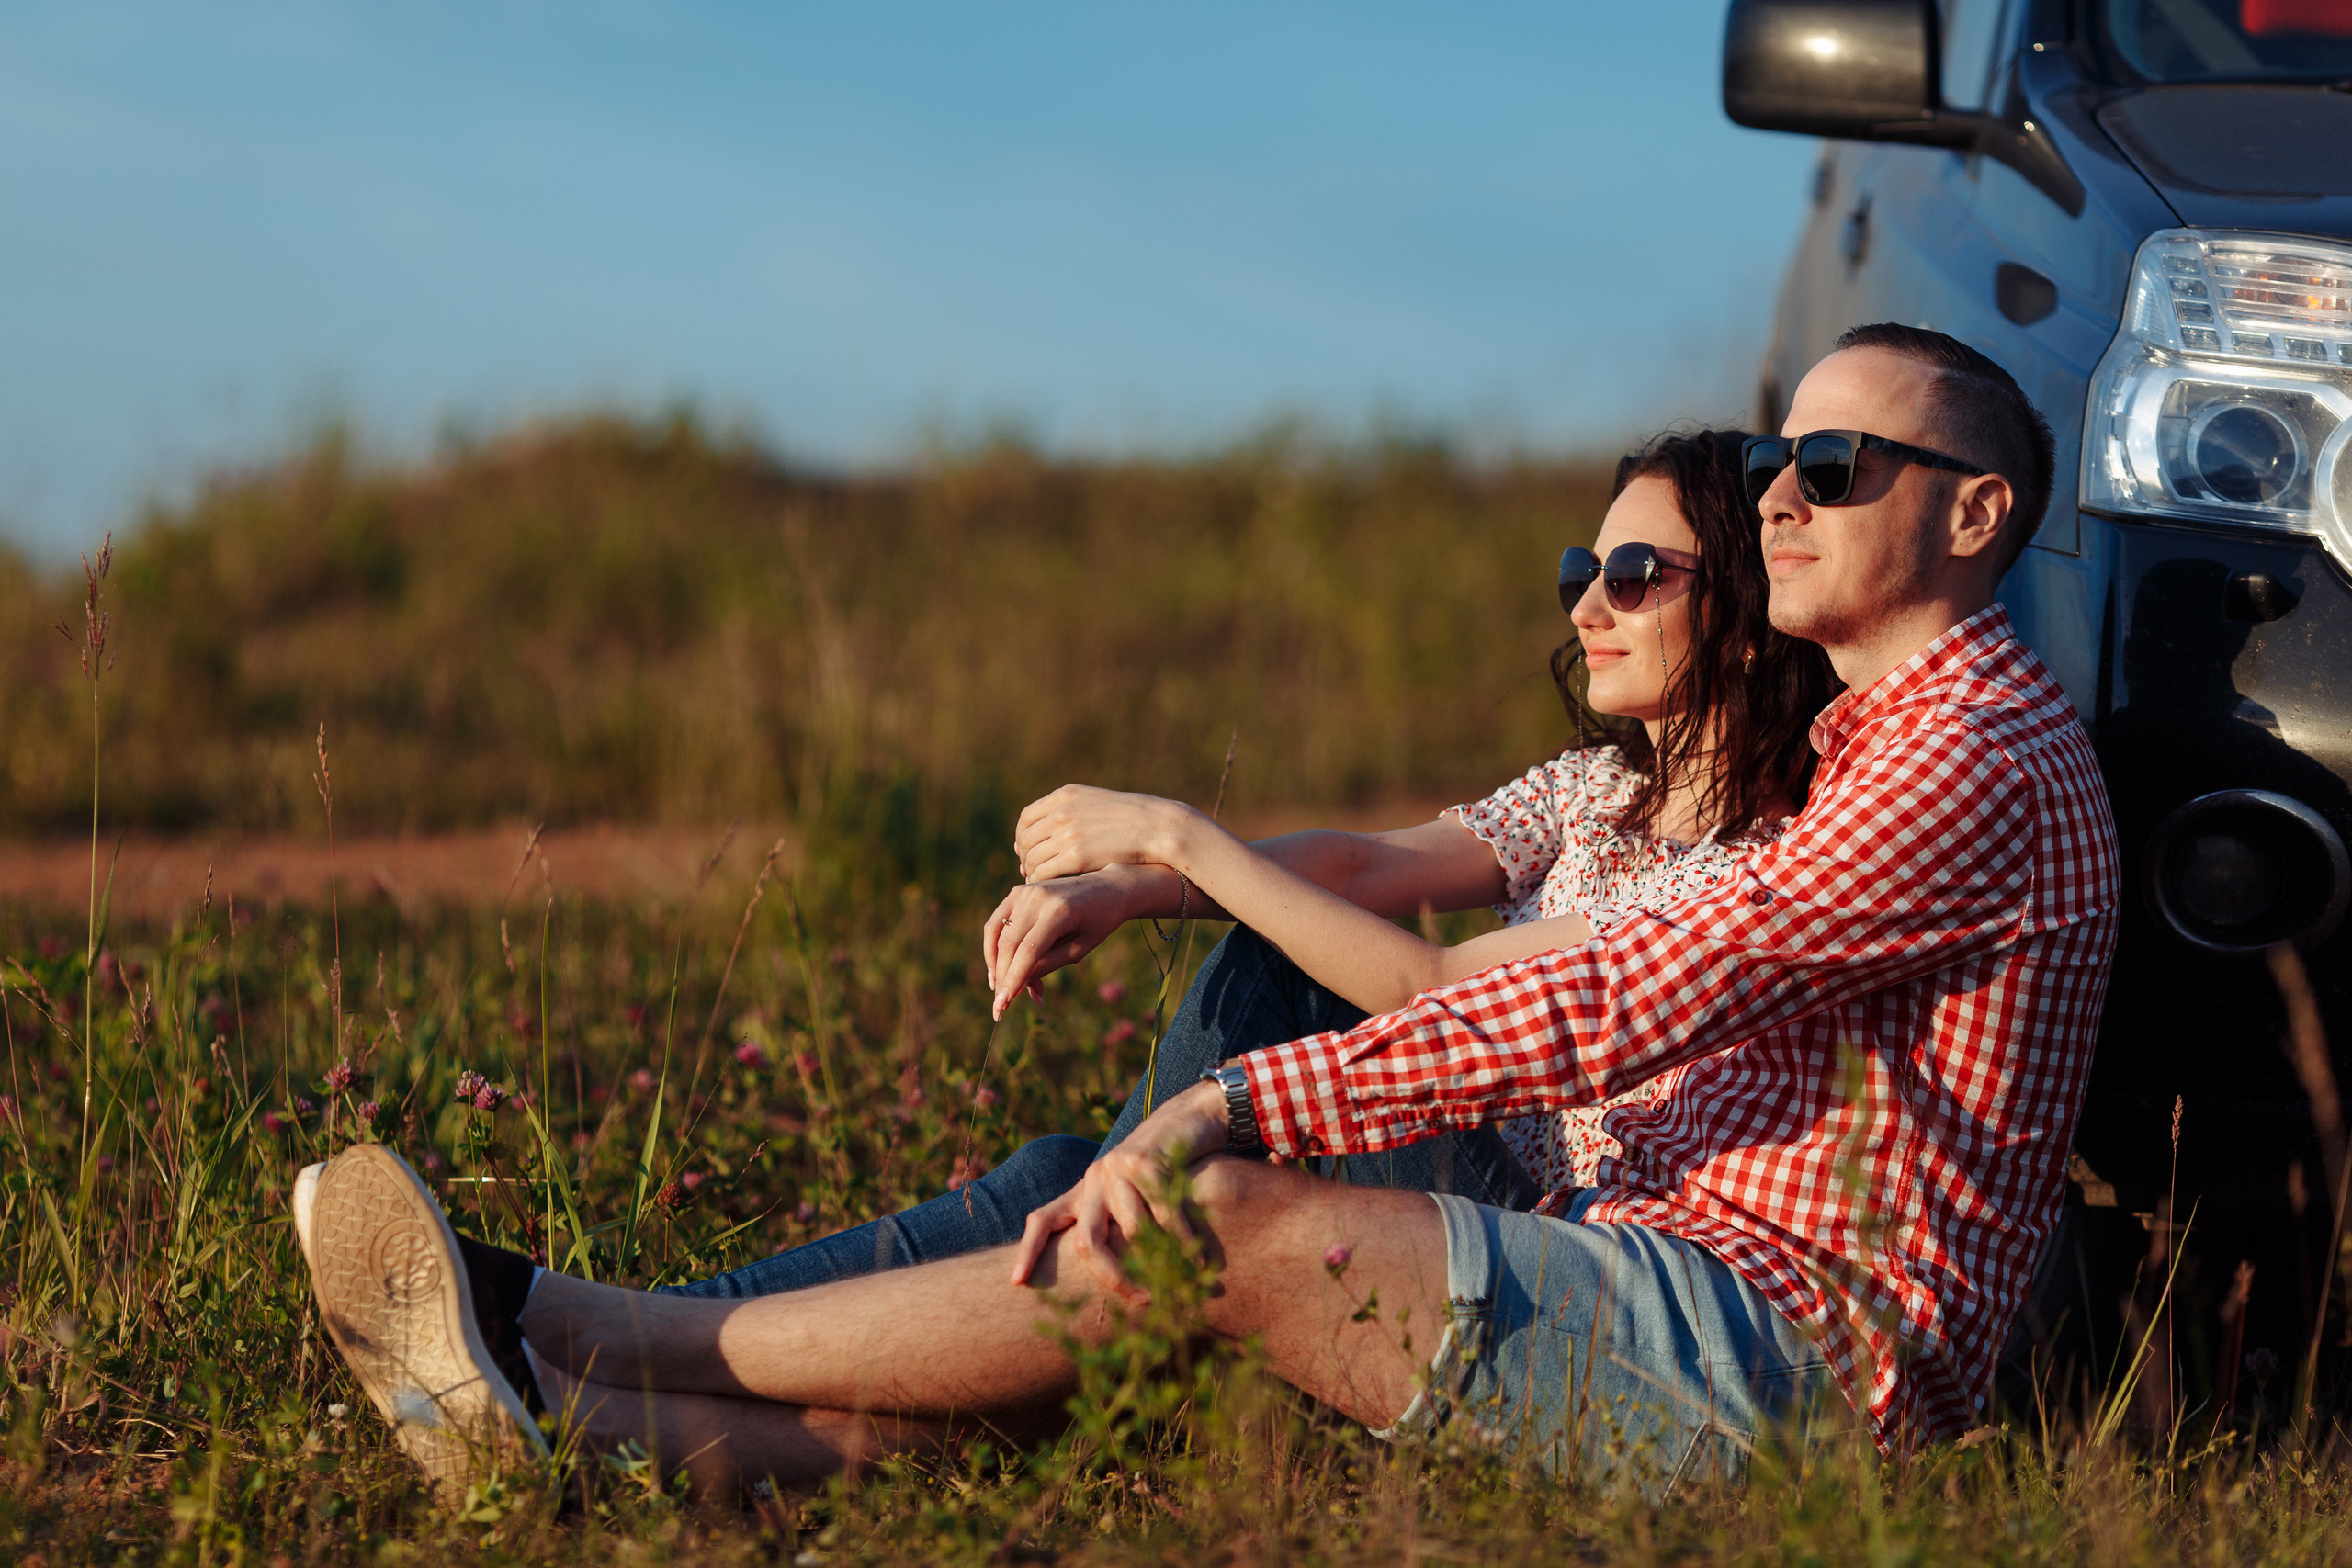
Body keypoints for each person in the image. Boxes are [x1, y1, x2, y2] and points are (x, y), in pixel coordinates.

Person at [301, 324, 2120, 1498]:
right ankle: (564, 1433)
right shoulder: (1884, 746)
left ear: (1972, 511)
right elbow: (1402, 880)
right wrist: (1161, 878)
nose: (1787, 497)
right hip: (1663, 1270)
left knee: (1205, 1222)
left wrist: (1226, 1100)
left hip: (1783, 1360)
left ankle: (585, 1326)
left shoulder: (1961, 753)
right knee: (1113, 1276)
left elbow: (1593, 1003)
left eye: (1835, 470)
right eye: (1784, 462)